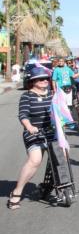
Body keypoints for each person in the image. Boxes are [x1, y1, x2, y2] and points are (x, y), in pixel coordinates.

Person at [7, 66, 54, 210]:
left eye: (46, 78)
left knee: (62, 157)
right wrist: (28, 126)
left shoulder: (52, 94)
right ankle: (17, 192)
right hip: (34, 132)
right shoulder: (27, 96)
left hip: (51, 131)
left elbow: (60, 111)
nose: (44, 81)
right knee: (35, 160)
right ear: (33, 81)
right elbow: (23, 115)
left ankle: (49, 186)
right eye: (40, 79)